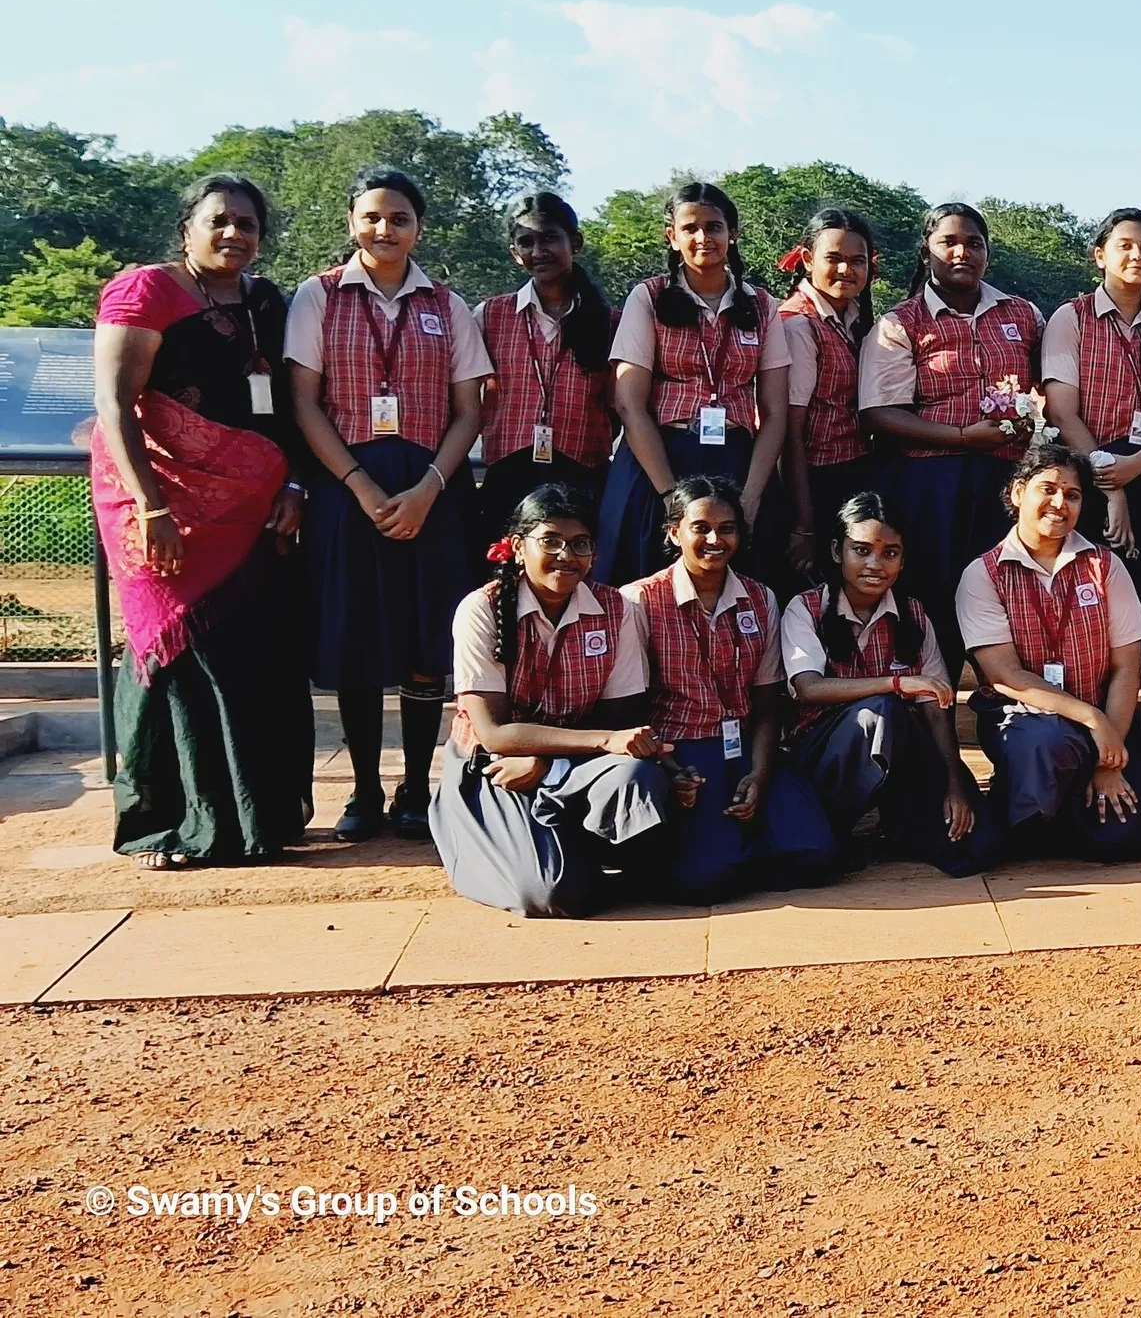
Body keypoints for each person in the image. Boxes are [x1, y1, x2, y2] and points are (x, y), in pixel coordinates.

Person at [88, 173, 315, 868]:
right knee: (181, 656)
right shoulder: (146, 291)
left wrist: (297, 484)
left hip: (255, 510)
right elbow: (115, 402)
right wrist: (153, 505)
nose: (233, 234)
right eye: (218, 221)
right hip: (159, 503)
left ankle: (261, 818)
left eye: (247, 224)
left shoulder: (267, 301)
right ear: (186, 227)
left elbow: (293, 403)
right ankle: (171, 823)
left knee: (258, 655)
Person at [285, 167, 492, 842]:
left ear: (418, 227)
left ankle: (414, 789)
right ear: (351, 221)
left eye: (399, 218)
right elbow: (305, 404)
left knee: (427, 640)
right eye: (372, 216)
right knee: (356, 640)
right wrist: (361, 485)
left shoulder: (448, 305)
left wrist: (430, 487)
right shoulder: (317, 297)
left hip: (432, 490)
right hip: (350, 492)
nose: (384, 229)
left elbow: (469, 412)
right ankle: (364, 790)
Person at [431, 484, 676, 917]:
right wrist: (599, 744)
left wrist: (550, 763)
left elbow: (619, 715)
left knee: (638, 775)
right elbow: (494, 733)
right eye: (550, 541)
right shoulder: (481, 610)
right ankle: (483, 831)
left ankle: (578, 844)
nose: (567, 555)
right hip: (494, 766)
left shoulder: (616, 609)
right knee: (551, 893)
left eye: (580, 543)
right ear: (517, 547)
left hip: (570, 763)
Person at [625, 477, 840, 902]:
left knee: (818, 856)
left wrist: (759, 774)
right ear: (674, 532)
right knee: (705, 880)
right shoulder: (639, 601)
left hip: (744, 749)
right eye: (700, 527)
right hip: (679, 754)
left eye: (727, 528)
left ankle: (742, 846)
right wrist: (669, 771)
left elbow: (766, 705)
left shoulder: (760, 599)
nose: (714, 539)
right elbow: (628, 709)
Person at [856, 202, 1045, 655]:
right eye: (949, 242)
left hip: (1007, 478)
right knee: (935, 592)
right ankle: (934, 707)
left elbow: (1046, 388)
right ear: (926, 252)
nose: (963, 252)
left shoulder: (1024, 315)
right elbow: (879, 412)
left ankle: (1003, 708)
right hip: (931, 481)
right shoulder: (901, 322)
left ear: (988, 253)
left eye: (974, 243)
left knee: (1004, 589)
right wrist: (963, 437)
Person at [953, 444, 1141, 864]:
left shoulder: (1105, 566)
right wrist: (1088, 717)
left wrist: (1109, 755)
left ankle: (1057, 807)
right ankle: (1027, 808)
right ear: (1017, 493)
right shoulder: (982, 575)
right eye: (1047, 489)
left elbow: (1126, 667)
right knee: (1044, 744)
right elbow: (1005, 675)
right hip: (1027, 722)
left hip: (1107, 719)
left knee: (1120, 843)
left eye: (1073, 495)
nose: (1060, 504)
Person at [781, 491, 996, 876]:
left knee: (978, 845)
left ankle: (902, 824)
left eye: (889, 553)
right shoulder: (806, 608)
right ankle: (836, 825)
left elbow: (936, 706)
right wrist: (894, 684)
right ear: (836, 551)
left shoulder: (913, 613)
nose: (875, 564)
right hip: (822, 756)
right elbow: (809, 687)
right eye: (861, 550)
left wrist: (954, 782)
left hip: (903, 752)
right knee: (879, 713)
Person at [597, 181, 792, 587]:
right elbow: (629, 404)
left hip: (738, 463)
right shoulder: (648, 298)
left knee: (748, 586)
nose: (704, 238)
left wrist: (752, 497)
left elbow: (774, 413)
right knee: (643, 585)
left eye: (715, 227)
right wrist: (670, 497)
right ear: (673, 237)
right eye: (690, 228)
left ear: (732, 233)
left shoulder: (761, 304)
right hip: (659, 463)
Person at [1044, 208, 1141, 643]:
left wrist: (1137, 465)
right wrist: (1112, 482)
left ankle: (1139, 701)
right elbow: (1062, 412)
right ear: (1099, 255)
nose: (1136, 255)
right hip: (1084, 472)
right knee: (1088, 599)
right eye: (1124, 246)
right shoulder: (1073, 318)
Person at [475, 192, 616, 539]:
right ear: (514, 253)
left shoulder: (610, 323)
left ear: (576, 243)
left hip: (583, 476)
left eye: (550, 238)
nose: (538, 252)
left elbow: (619, 406)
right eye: (526, 242)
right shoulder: (489, 317)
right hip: (508, 477)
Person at [775, 207, 882, 586]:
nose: (845, 271)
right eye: (833, 259)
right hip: (813, 481)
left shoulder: (854, 319)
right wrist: (804, 524)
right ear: (807, 260)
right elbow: (790, 433)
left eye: (857, 261)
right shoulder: (799, 325)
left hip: (851, 473)